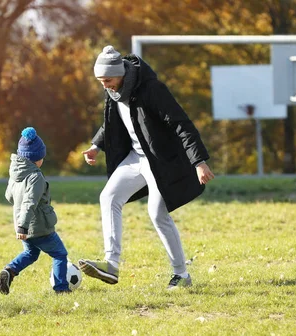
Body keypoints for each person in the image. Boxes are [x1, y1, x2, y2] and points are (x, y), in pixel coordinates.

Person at [78, 45, 215, 290]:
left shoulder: (152, 89)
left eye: (107, 79)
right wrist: (96, 146)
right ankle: (111, 264)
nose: (104, 85)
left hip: (159, 160)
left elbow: (182, 124)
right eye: (100, 80)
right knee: (108, 196)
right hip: (135, 158)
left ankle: (181, 275)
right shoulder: (115, 92)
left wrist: (199, 161)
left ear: (120, 73)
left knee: (157, 213)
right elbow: (110, 123)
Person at [0, 127, 71, 295]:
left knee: (31, 253)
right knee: (60, 254)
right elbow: (30, 202)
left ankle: (9, 271)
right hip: (38, 227)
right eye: (41, 157)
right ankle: (61, 289)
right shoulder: (35, 177)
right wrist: (24, 225)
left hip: (22, 227)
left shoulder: (15, 174)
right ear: (35, 158)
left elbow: (9, 196)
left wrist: (21, 226)